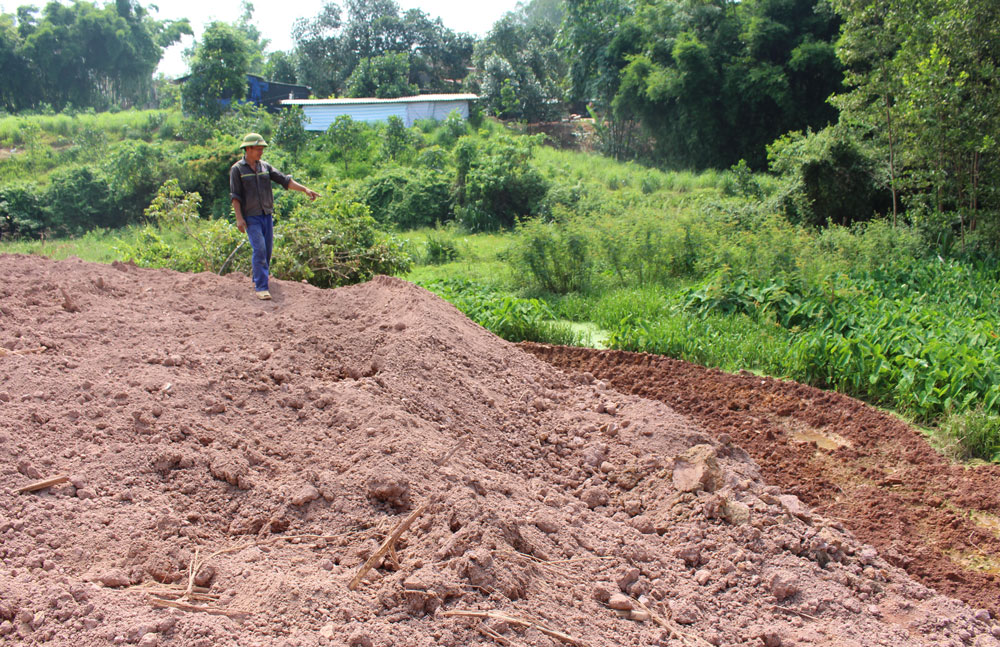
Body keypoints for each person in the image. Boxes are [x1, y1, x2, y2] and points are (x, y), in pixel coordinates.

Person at [229, 132, 320, 300]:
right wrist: (239, 218)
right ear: (248, 149)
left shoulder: (265, 167)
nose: (261, 152)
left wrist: (305, 189)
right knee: (260, 249)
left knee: (267, 251)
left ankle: (257, 279)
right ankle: (261, 287)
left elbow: (285, 181)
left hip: (266, 215)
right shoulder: (237, 169)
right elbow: (235, 196)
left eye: (262, 149)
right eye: (258, 149)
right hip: (251, 217)